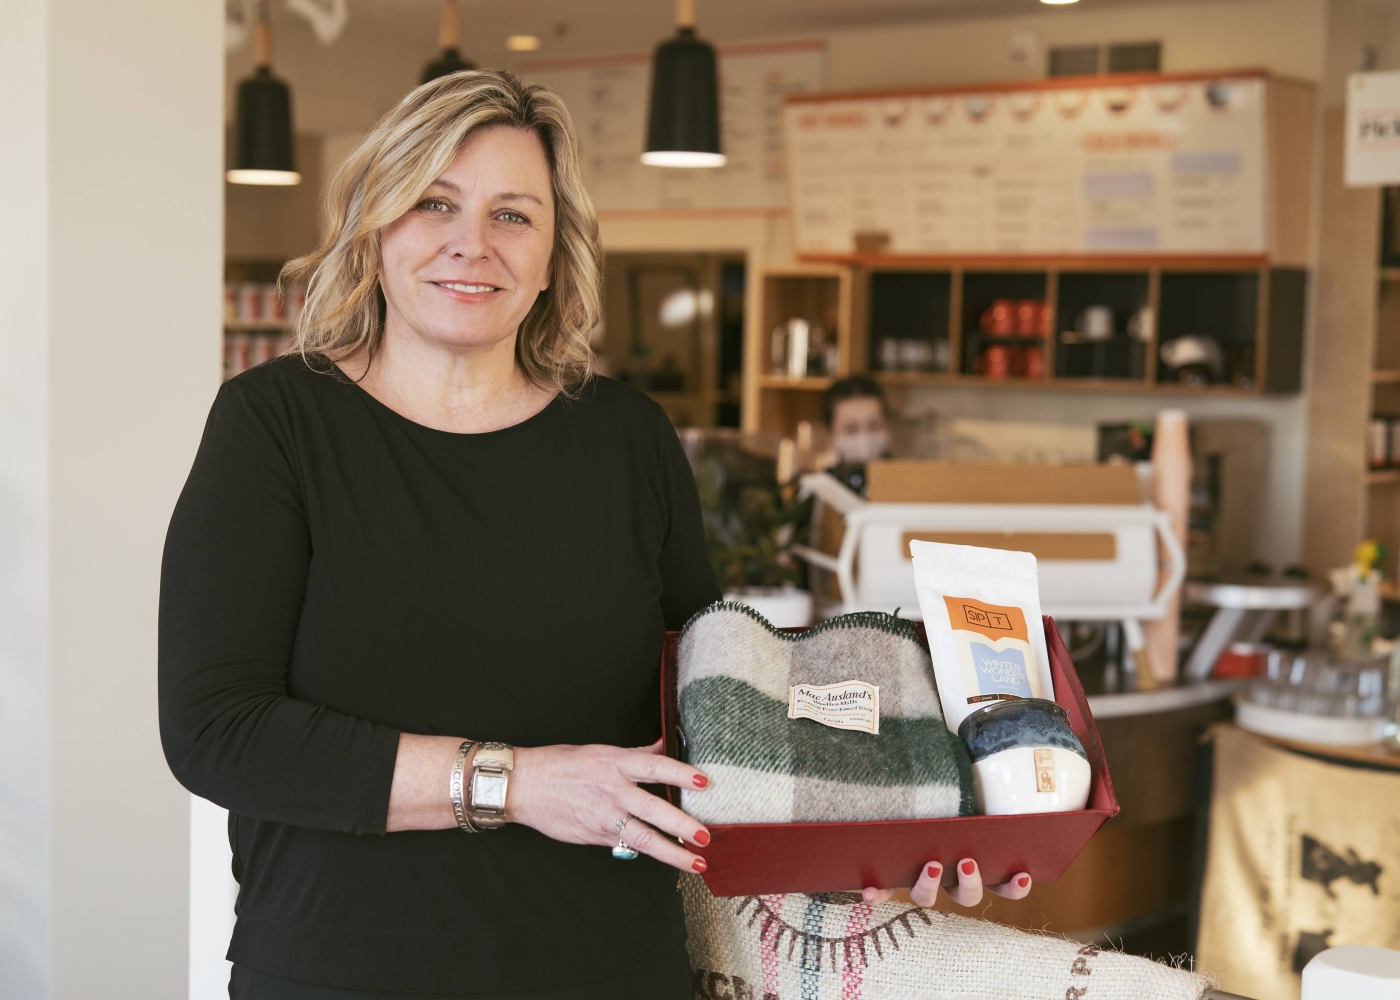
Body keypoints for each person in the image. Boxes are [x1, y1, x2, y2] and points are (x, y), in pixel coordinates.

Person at [159, 70, 1026, 1000]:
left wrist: (902, 830)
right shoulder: (276, 424)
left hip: (609, 970)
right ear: (375, 226)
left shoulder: (627, 439)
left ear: (553, 252)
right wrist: (516, 785)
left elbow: (716, 722)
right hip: (341, 971)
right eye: (435, 202)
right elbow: (217, 732)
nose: (472, 244)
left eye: (513, 216)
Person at [822, 374, 892, 495]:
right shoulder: (822, 489)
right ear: (831, 432)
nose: (864, 438)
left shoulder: (912, 482)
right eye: (851, 429)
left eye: (874, 426)